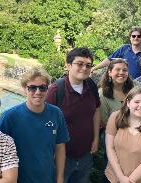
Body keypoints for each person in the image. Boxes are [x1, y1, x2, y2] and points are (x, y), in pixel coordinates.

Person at [0, 67, 69, 183]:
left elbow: (60, 147)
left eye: (42, 88)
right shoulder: (9, 117)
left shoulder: (56, 113)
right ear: (25, 89)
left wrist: (60, 178)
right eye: (32, 88)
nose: (38, 92)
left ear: (47, 89)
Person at [46, 47, 101, 183]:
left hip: (85, 154)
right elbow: (45, 124)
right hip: (62, 158)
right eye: (80, 64)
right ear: (68, 65)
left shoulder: (91, 86)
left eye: (88, 65)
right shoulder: (56, 91)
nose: (84, 68)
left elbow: (96, 110)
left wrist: (95, 138)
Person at [105, 86, 141, 183]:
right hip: (113, 177)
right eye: (136, 102)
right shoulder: (116, 117)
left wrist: (129, 180)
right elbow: (110, 148)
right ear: (128, 103)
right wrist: (120, 177)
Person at [99, 59, 135, 183]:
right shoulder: (103, 94)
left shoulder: (135, 88)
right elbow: (104, 122)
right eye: (117, 70)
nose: (121, 73)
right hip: (113, 136)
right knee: (112, 169)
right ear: (109, 72)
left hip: (136, 134)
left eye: (124, 70)